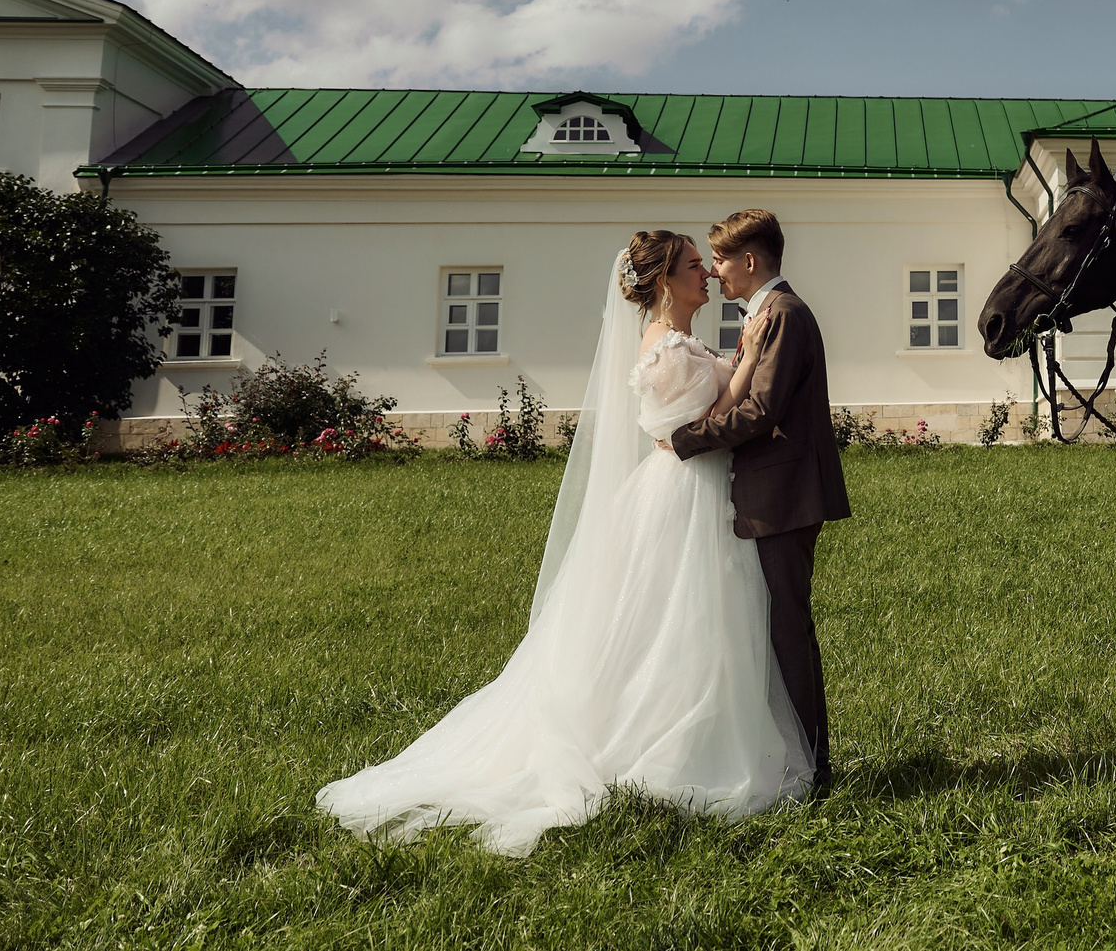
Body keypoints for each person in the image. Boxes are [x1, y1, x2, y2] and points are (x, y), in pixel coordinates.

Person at [315, 230, 812, 856]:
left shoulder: (681, 342)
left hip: (702, 486)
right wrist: (749, 356)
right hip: (686, 490)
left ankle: (709, 729)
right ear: (664, 280)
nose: (708, 274)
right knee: (680, 613)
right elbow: (712, 417)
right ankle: (666, 742)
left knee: (700, 617)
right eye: (694, 265)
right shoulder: (665, 349)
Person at [667, 209, 852, 791]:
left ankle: (814, 766)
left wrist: (685, 439)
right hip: (770, 492)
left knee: (787, 630)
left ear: (749, 261)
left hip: (784, 495)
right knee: (773, 627)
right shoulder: (765, 315)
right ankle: (790, 756)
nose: (714, 271)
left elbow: (761, 411)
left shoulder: (786, 315)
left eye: (719, 260)